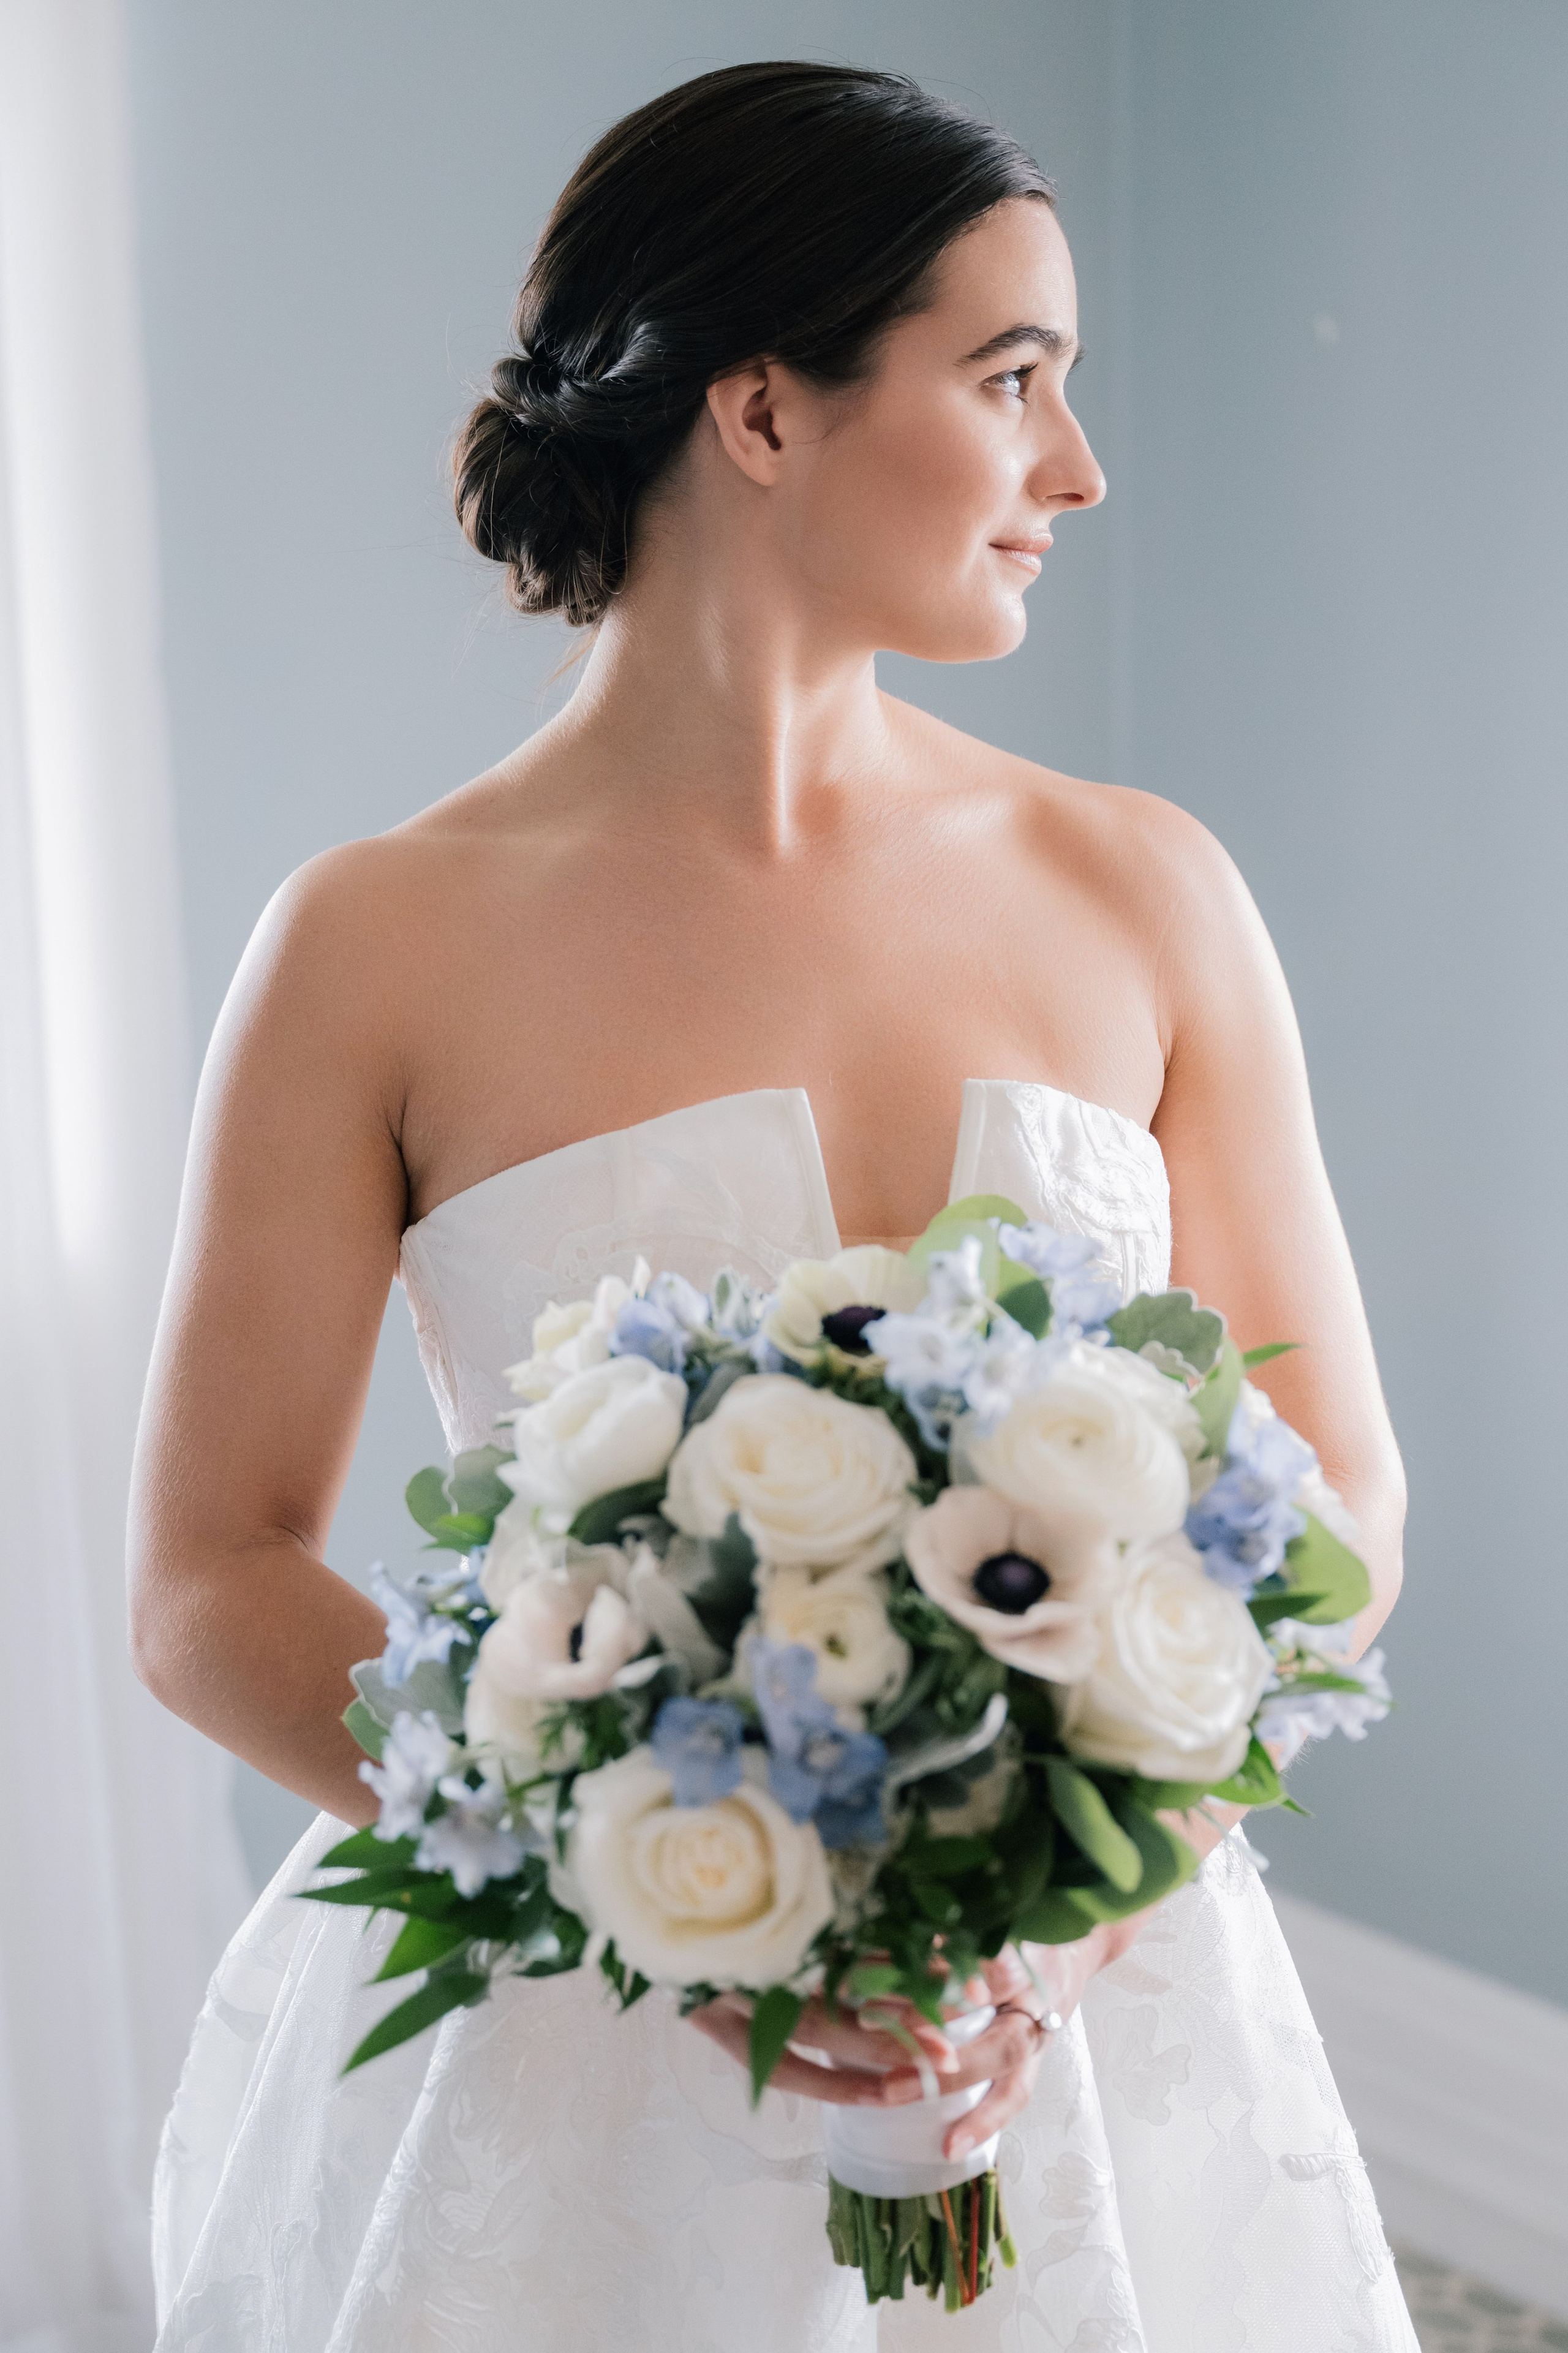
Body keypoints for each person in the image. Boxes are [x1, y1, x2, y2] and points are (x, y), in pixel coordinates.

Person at [130, 61, 1417, 2351]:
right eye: (1010, 378)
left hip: (1080, 2030)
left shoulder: (1148, 889)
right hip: (569, 2036)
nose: (1077, 468)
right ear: (760, 408)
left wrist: (1056, 1923)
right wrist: (653, 1888)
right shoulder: (374, 941)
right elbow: (210, 1578)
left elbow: (1338, 1498)